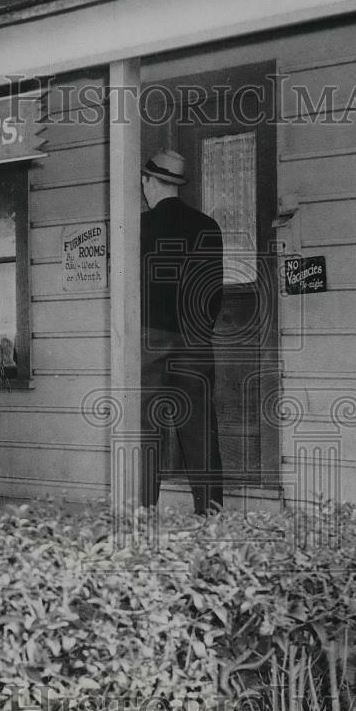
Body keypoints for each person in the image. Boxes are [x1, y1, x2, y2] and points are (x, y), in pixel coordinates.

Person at [140, 148, 224, 515]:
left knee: (146, 431)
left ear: (147, 181)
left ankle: (142, 514)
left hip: (150, 340)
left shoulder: (138, 228)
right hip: (195, 341)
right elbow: (214, 292)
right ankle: (211, 515)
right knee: (201, 432)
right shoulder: (208, 227)